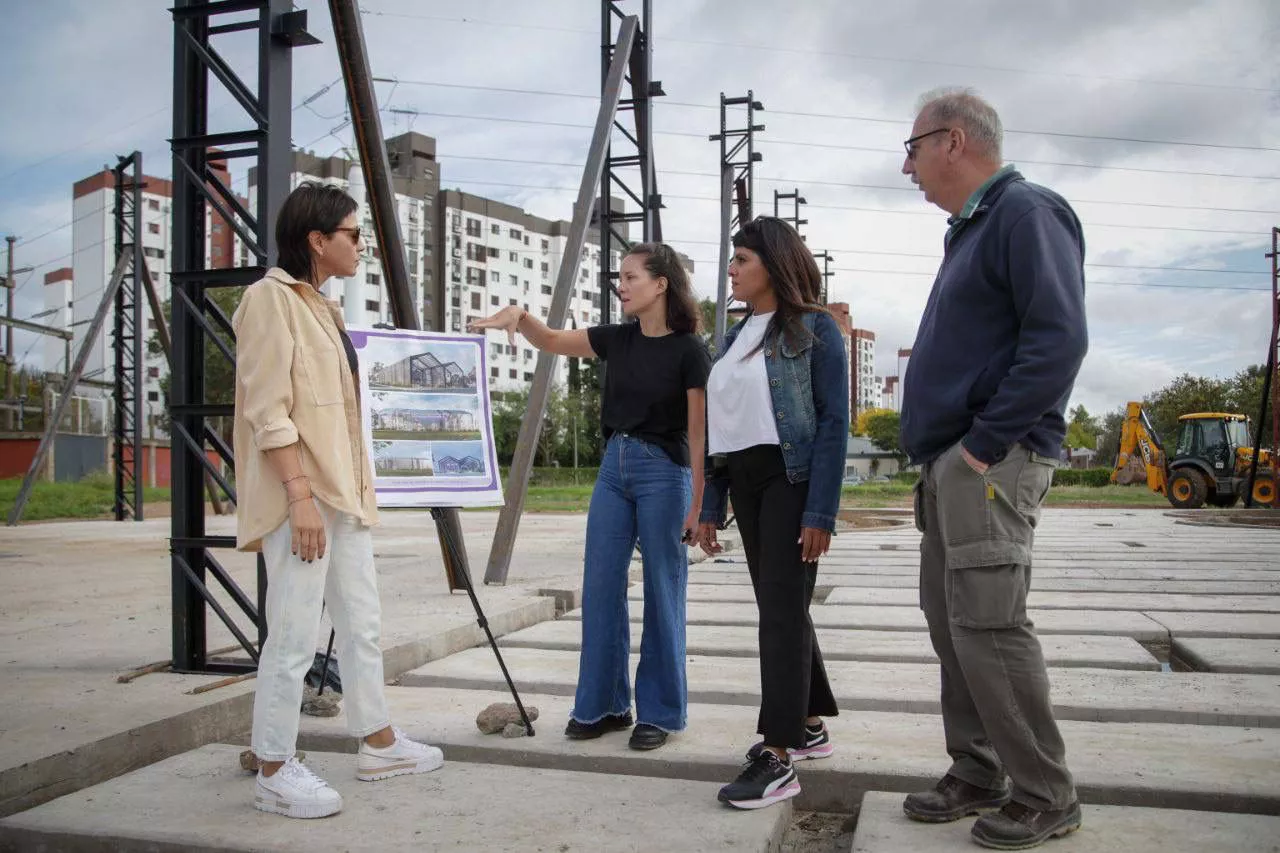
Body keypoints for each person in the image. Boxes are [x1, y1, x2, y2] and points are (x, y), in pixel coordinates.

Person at [897, 88, 1087, 849]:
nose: (905, 167)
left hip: (991, 460)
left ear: (951, 140)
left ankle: (1046, 791)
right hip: (955, 462)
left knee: (990, 624)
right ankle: (978, 770)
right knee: (955, 628)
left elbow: (1058, 340)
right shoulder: (969, 232)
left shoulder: (1024, 212)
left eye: (910, 149)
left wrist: (982, 444)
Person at [233, 181, 442, 819]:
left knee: (362, 625)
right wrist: (298, 497)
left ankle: (377, 741)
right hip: (304, 495)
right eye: (353, 235)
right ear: (317, 241)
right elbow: (267, 412)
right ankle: (273, 765)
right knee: (294, 632)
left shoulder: (324, 308)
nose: (362, 246)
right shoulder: (269, 302)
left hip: (342, 495)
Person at [469, 242, 710, 750]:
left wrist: (699, 502)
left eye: (630, 277)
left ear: (661, 284)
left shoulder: (689, 350)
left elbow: (698, 432)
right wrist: (519, 316)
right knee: (600, 586)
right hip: (613, 469)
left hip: (664, 474)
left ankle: (661, 714)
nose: (620, 285)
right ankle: (604, 706)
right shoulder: (616, 340)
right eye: (618, 278)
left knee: (663, 592)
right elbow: (552, 340)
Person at [693, 216, 849, 810]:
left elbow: (834, 424)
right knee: (780, 606)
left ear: (774, 263)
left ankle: (778, 754)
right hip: (747, 483)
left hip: (793, 479)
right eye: (732, 260)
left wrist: (822, 512)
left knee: (780, 613)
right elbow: (719, 432)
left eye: (742, 260)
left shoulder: (815, 329)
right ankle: (807, 723)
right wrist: (710, 503)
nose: (731, 269)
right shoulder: (733, 337)